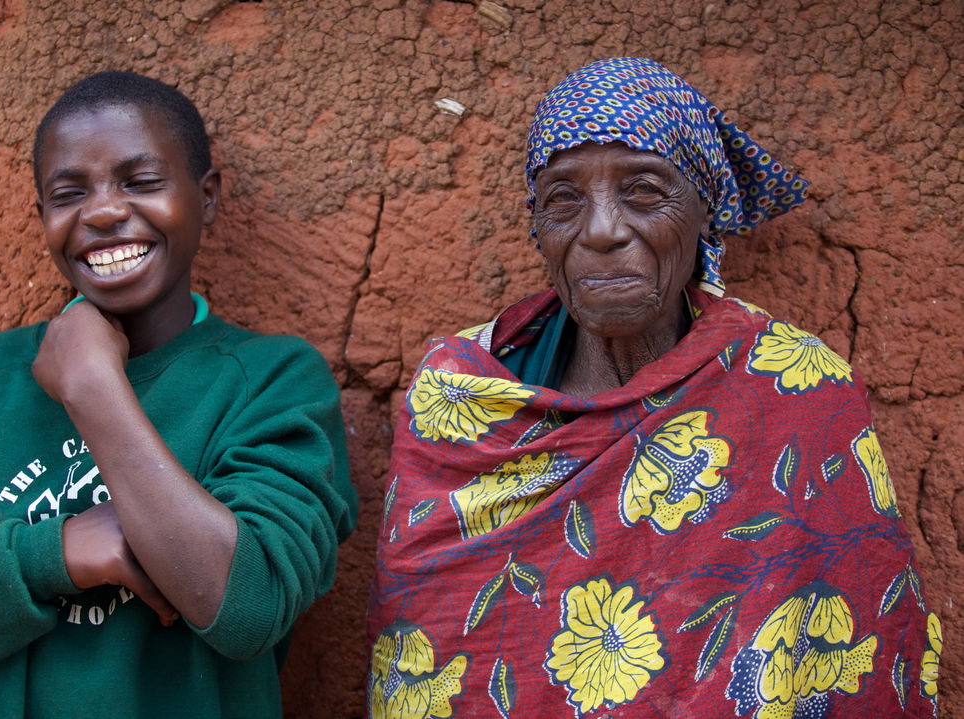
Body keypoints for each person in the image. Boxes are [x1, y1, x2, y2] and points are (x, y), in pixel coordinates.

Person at [367, 58, 940, 718]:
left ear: (703, 214)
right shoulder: (461, 395)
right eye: (564, 199)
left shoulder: (800, 393)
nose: (603, 229)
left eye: (643, 191)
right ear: (538, 229)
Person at [0, 71, 357, 718]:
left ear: (206, 197)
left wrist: (96, 390)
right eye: (67, 194)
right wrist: (56, 554)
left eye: (141, 181)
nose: (100, 211)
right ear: (42, 216)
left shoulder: (272, 381)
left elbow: (247, 608)